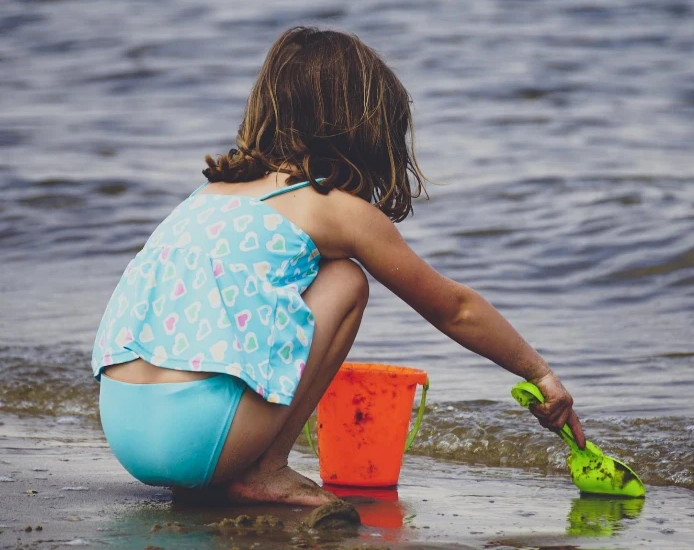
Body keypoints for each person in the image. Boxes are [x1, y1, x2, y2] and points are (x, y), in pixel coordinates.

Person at [92, 26, 586, 506]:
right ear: (360, 128)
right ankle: (265, 469)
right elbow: (454, 309)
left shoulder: (205, 196)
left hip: (124, 427)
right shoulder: (333, 209)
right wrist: (540, 373)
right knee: (346, 279)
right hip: (198, 437)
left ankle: (213, 471)